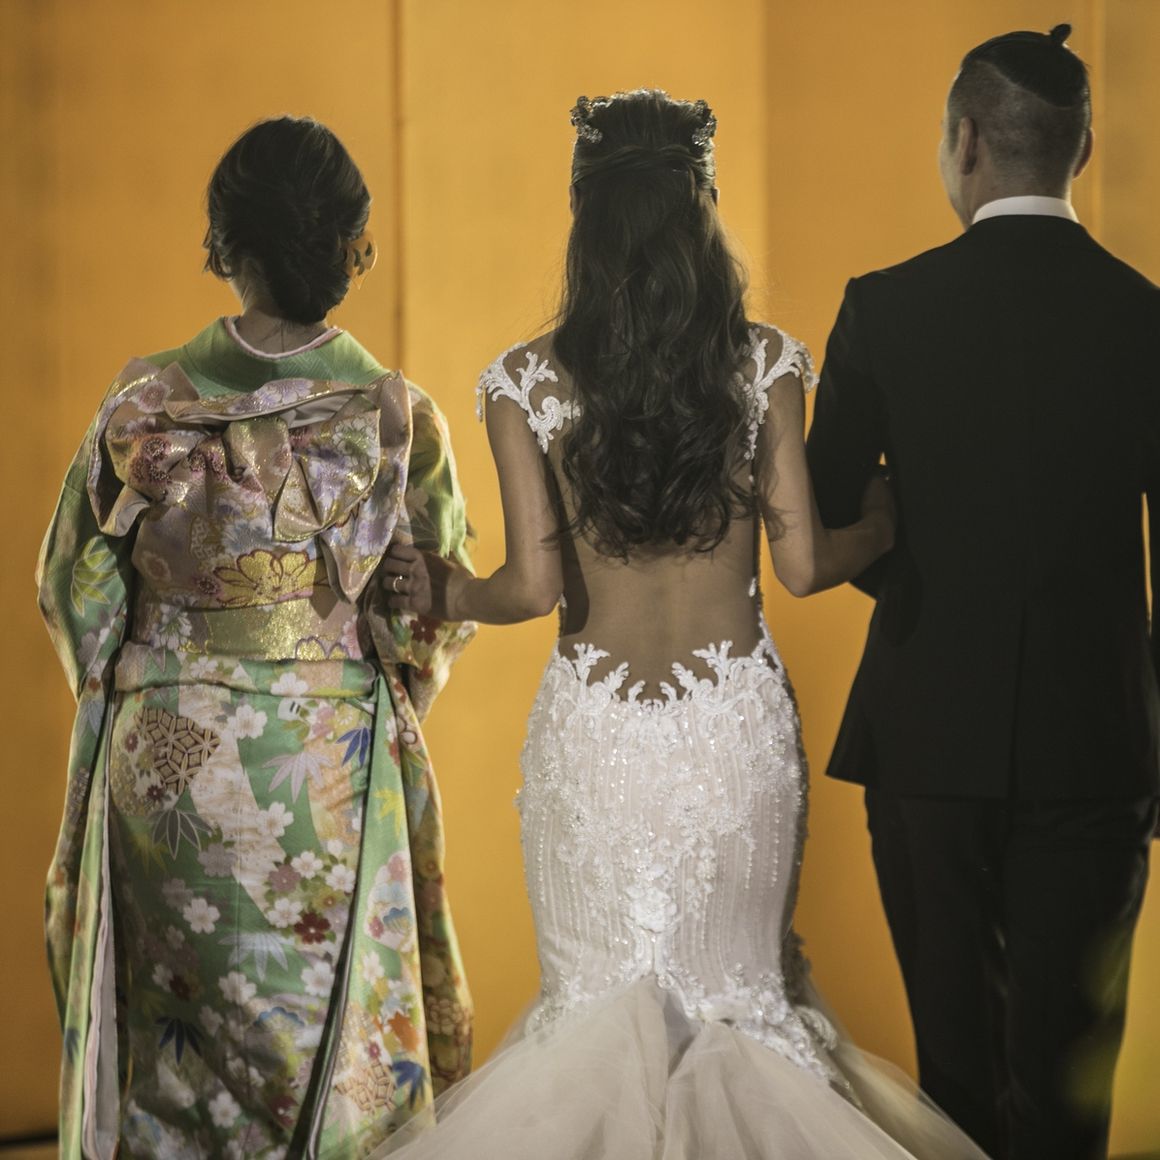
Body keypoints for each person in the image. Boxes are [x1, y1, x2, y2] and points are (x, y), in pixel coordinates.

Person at [378, 89, 989, 1159]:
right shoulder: (764, 364)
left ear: (585, 214)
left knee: (585, 1017)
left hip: (595, 741)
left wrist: (445, 588)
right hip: (730, 733)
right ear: (701, 209)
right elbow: (802, 565)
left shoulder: (524, 381)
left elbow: (530, 587)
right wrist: (883, 522)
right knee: (742, 1011)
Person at [37, 115, 475, 1158]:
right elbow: (431, 600)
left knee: (172, 1057)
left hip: (165, 758)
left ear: (226, 242)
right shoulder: (393, 417)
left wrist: (146, 674)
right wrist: (366, 671)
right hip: (320, 764)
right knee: (318, 1041)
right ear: (350, 245)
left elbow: (72, 586)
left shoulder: (144, 405)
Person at [806, 25, 1160, 1160]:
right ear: (1083, 149)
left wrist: (916, 560)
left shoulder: (882, 307)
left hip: (923, 736)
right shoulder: (1146, 318)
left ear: (964, 141)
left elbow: (824, 517)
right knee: (1067, 1097)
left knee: (952, 1087)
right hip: (1098, 749)